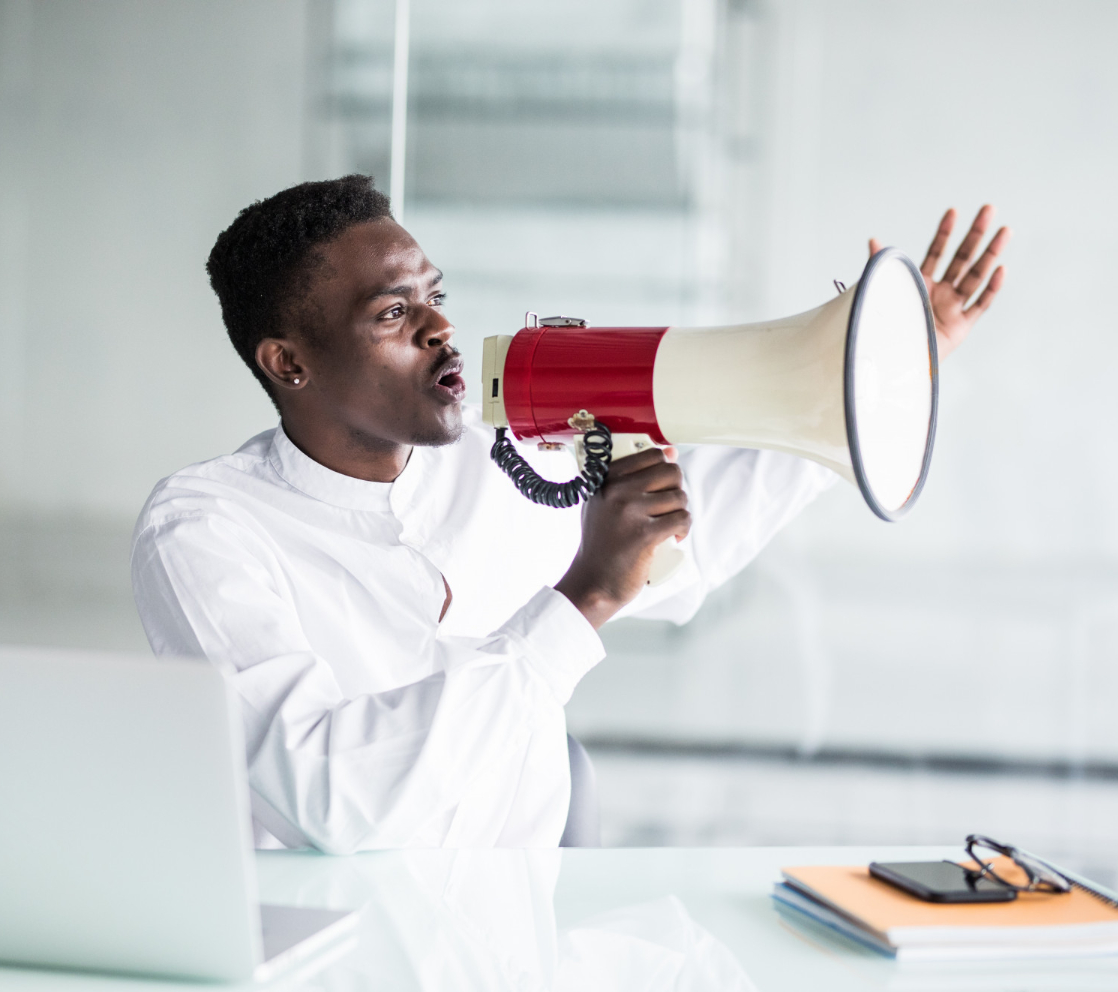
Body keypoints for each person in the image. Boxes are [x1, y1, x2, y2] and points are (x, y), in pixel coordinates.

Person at [131, 175, 1008, 854]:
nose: (440, 327)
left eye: (435, 293)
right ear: (288, 363)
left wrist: (881, 367)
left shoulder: (505, 449)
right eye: (394, 313)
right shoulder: (207, 529)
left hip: (527, 921)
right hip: (331, 944)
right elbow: (328, 796)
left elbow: (692, 544)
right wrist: (581, 598)